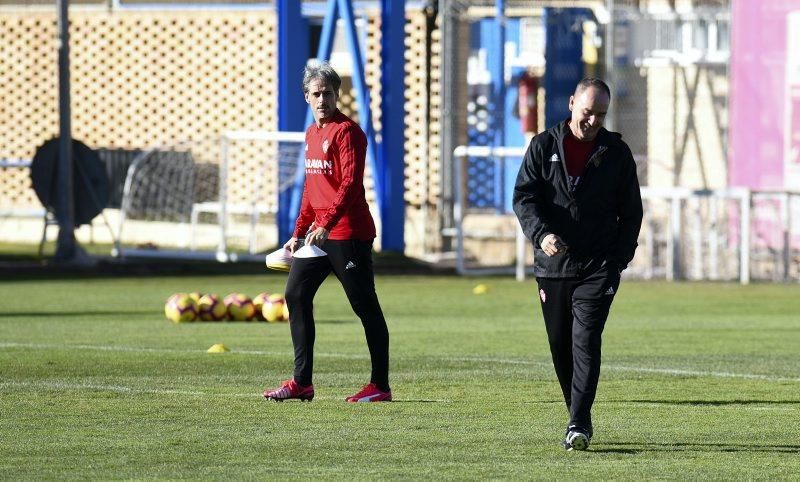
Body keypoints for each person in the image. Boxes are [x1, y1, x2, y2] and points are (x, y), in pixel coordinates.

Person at [512, 78, 643, 450]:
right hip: (553, 265)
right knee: (560, 344)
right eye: (588, 112)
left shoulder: (616, 152)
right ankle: (576, 414)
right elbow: (524, 198)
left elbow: (631, 212)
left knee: (585, 339)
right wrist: (541, 234)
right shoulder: (542, 146)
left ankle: (578, 423)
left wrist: (618, 260)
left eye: (601, 115)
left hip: (599, 265)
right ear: (571, 104)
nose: (593, 121)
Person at [263, 61, 392, 403]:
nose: (323, 99)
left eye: (329, 93)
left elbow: (349, 184)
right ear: (306, 97)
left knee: (365, 306)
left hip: (348, 234)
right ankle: (301, 383)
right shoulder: (311, 134)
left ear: (338, 96)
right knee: (296, 295)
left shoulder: (348, 133)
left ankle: (380, 386)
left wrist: (326, 223)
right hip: (319, 237)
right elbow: (312, 186)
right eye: (317, 94)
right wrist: (299, 230)